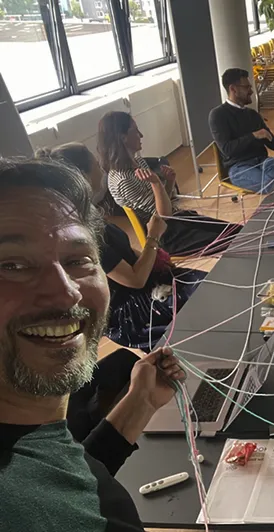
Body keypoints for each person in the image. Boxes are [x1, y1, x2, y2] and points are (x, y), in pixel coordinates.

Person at [0, 157, 185, 531]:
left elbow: (57, 475)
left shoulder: (29, 437)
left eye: (77, 260)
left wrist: (140, 404)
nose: (65, 294)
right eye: (12, 265)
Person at [38, 143, 207, 350]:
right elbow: (134, 280)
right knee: (202, 306)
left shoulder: (88, 212)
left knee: (208, 287)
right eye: (95, 163)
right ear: (81, 176)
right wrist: (153, 238)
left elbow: (124, 252)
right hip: (129, 311)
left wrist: (152, 257)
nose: (101, 167)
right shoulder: (81, 231)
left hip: (145, 283)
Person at [99, 111, 242, 256]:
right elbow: (163, 215)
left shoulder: (137, 161)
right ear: (123, 138)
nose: (141, 135)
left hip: (176, 219)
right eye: (135, 131)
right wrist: (156, 183)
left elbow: (162, 204)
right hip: (166, 236)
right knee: (233, 242)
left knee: (239, 231)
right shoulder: (123, 180)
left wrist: (169, 181)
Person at [209, 68, 274, 193]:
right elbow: (227, 149)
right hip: (239, 168)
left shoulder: (252, 115)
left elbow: (272, 142)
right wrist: (254, 135)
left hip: (263, 162)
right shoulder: (218, 115)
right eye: (247, 87)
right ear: (233, 89)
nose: (251, 91)